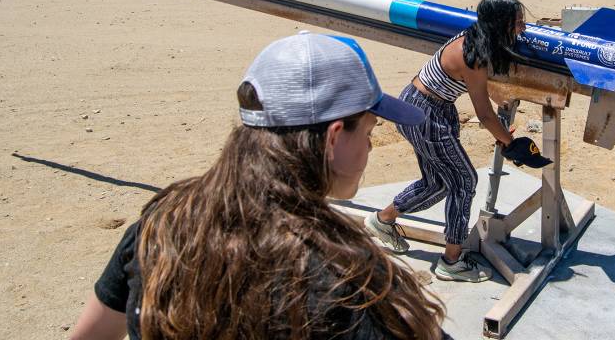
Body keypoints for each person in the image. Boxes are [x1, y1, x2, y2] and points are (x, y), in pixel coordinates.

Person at [70, 32, 452, 340]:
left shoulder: (161, 226)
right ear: (333, 138)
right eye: (370, 130)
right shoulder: (346, 283)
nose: (369, 146)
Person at [364, 0, 546, 283]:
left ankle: (383, 220)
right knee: (464, 182)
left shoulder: (477, 38)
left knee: (437, 182)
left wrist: (502, 122)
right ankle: (452, 260)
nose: (522, 28)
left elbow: (487, 91)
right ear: (500, 24)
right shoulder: (473, 56)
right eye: (517, 23)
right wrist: (511, 143)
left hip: (425, 106)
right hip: (427, 113)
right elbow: (484, 114)